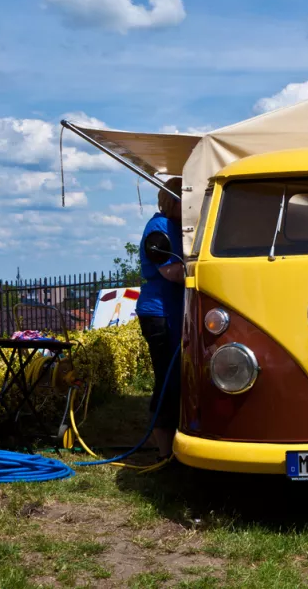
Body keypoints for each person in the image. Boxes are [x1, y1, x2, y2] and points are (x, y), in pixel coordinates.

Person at [135, 178, 186, 463]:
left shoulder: (176, 228)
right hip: (160, 314)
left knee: (178, 378)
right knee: (168, 380)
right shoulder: (159, 230)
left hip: (174, 313)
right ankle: (164, 453)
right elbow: (172, 272)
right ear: (173, 201)